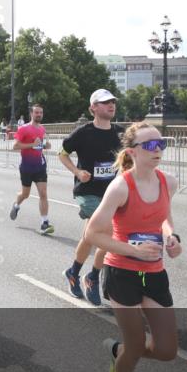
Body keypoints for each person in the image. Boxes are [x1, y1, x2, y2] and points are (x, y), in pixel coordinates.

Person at [85, 122, 181, 372]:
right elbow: (92, 234)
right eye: (150, 146)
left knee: (167, 350)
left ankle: (118, 351)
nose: (158, 150)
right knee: (137, 345)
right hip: (122, 274)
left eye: (161, 143)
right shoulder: (121, 187)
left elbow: (164, 217)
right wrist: (133, 250)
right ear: (132, 152)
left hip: (154, 274)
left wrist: (171, 236)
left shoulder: (169, 181)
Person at [59, 89, 122, 305]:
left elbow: (130, 156)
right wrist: (77, 172)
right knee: (108, 232)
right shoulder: (83, 132)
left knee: (90, 235)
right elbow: (62, 153)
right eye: (105, 102)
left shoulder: (120, 133)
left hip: (111, 194)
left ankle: (74, 272)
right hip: (87, 192)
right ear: (93, 108)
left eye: (112, 102)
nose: (110, 105)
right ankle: (93, 277)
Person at [9, 103, 54, 234]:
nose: (39, 115)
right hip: (26, 167)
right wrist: (31, 145)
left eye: (41, 113)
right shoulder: (23, 128)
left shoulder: (42, 129)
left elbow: (40, 145)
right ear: (31, 114)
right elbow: (15, 146)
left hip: (40, 166)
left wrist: (46, 145)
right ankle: (16, 205)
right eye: (36, 112)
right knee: (25, 194)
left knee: (43, 194)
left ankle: (44, 223)